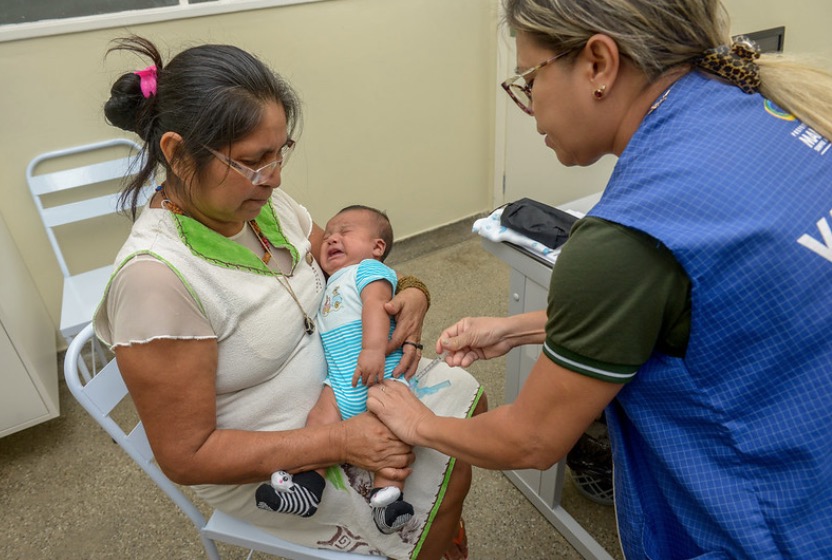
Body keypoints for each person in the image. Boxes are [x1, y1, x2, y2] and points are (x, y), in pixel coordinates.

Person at [367, 1, 832, 558]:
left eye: (528, 80)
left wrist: (418, 423)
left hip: (770, 526)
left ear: (599, 64)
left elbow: (531, 439)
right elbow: (714, 305)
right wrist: (520, 328)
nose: (528, 107)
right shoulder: (769, 111)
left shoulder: (627, 237)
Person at [93, 35, 483, 560]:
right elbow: (188, 456)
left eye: (281, 153)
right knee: (437, 465)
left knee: (466, 402)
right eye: (255, 161)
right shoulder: (155, 284)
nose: (275, 177)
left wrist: (410, 291)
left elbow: (348, 267)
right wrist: (339, 443)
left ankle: (441, 533)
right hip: (273, 461)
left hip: (341, 387)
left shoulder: (263, 207)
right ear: (178, 154)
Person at [256, 205, 416, 534]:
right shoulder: (332, 280)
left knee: (394, 436)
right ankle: (307, 489)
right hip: (339, 381)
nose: (331, 238)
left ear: (377, 248)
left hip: (379, 375)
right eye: (328, 233)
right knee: (318, 421)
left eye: (345, 231)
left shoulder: (370, 271)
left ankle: (388, 500)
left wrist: (373, 349)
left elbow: (376, 306)